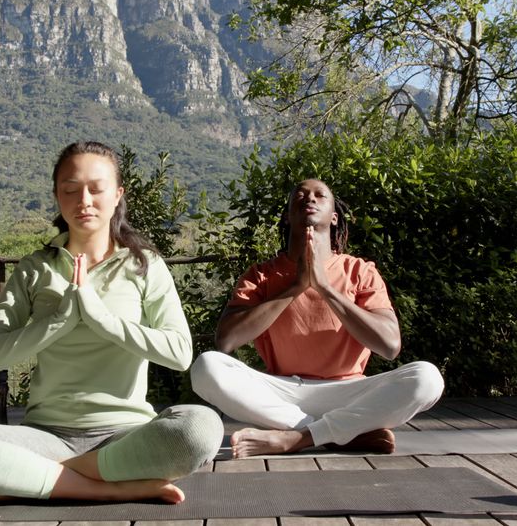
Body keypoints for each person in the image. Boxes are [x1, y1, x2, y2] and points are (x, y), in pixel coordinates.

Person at [0, 141, 223, 504]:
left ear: (117, 196)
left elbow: (179, 354)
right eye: (71, 190)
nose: (84, 200)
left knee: (200, 427)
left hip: (126, 436)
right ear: (57, 196)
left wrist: (100, 317)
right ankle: (113, 486)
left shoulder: (145, 266)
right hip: (46, 436)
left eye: (96, 189)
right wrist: (59, 320)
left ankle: (38, 478)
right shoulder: (35, 269)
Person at [190, 178, 444, 458]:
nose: (309, 199)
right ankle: (337, 434)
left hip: (349, 393)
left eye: (320, 195)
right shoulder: (261, 275)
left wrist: (324, 287)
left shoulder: (360, 271)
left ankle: (296, 438)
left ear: (334, 217)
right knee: (206, 367)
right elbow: (226, 340)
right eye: (300, 195)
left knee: (427, 378)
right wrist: (297, 286)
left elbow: (389, 345)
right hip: (282, 393)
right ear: (287, 216)